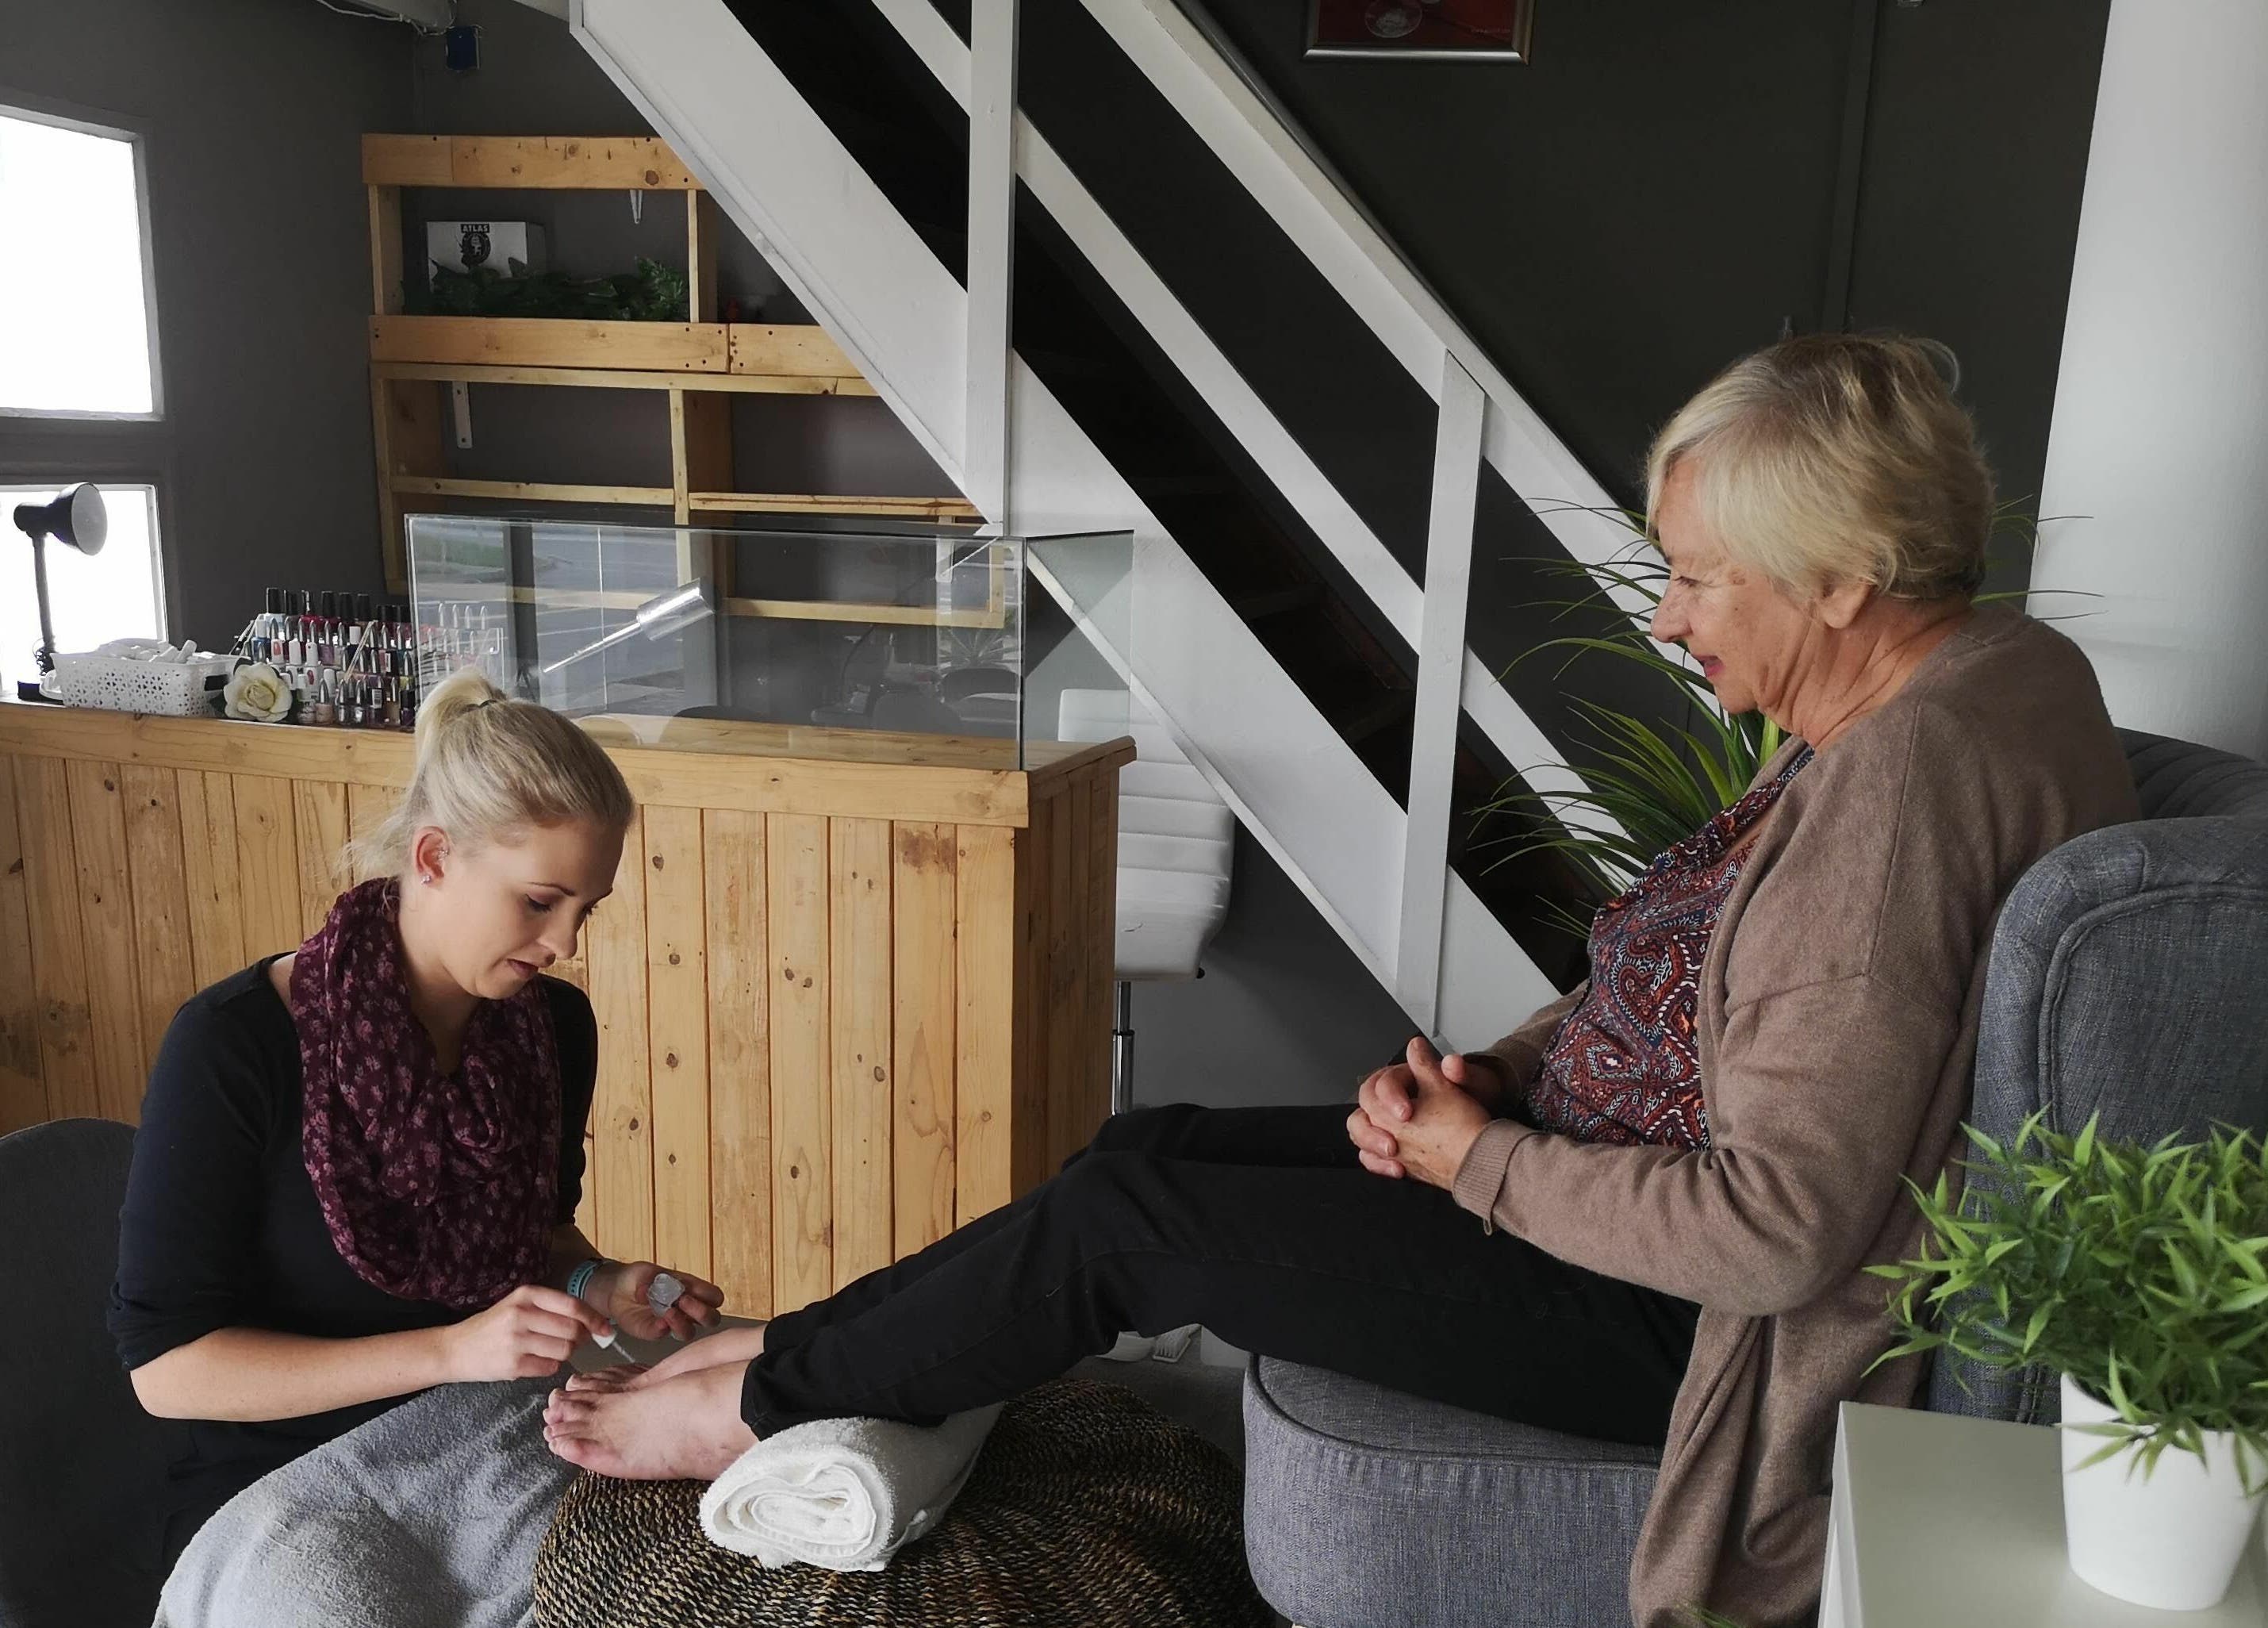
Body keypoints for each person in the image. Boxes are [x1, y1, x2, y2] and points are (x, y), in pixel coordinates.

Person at [540, 335, 2142, 1626]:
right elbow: (1704, 1000)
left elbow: (1776, 1229)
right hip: (1580, 1174)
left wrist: (1475, 1161)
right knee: (1142, 1148)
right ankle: (795, 1351)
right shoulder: (1964, 685)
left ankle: (755, 1405)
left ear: (1846, 579)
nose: (1666, 620)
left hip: (1664, 1313)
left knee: (1128, 1225)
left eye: (1703, 579)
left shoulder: (1894, 807)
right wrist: (1506, 1077)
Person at [110, 668, 725, 1569]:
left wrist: (596, 1280)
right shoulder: (235, 1046)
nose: (565, 944)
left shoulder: (552, 1027)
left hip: (488, 1438)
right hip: (284, 1491)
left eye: (586, 909)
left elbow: (539, 1237)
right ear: (434, 858)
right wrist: (446, 1351)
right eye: (540, 902)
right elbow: (168, 1371)